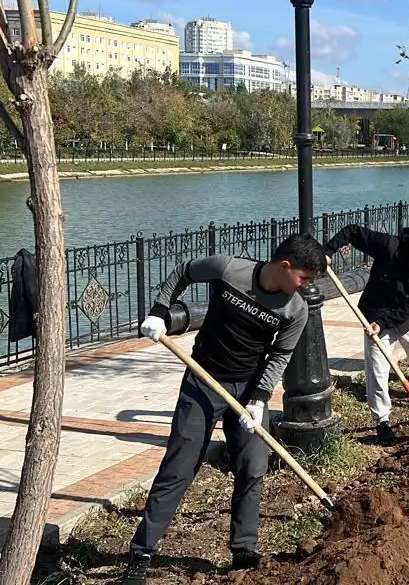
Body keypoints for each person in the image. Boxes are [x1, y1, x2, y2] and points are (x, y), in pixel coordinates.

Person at [122, 234, 327, 584]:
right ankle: (141, 553)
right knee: (179, 467)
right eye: (304, 278)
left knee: (252, 465)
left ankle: (243, 549)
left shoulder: (296, 309)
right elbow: (182, 273)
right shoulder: (228, 270)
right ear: (285, 266)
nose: (306, 286)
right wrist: (159, 311)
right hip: (203, 382)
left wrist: (260, 398)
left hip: (247, 391)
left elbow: (280, 355)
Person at [323, 221, 409, 446]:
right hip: (374, 314)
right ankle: (382, 421)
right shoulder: (389, 246)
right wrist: (327, 251)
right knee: (377, 370)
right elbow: (353, 231)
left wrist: (384, 322)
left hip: (407, 319)